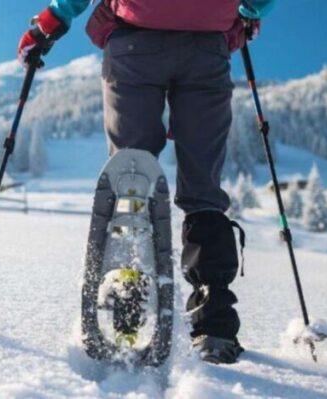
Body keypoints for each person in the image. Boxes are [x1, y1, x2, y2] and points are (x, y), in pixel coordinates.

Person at [18, 0, 274, 364]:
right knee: (203, 191)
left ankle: (128, 302)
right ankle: (213, 324)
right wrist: (249, 13)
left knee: (132, 177)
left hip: (135, 44)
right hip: (207, 46)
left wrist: (49, 23)